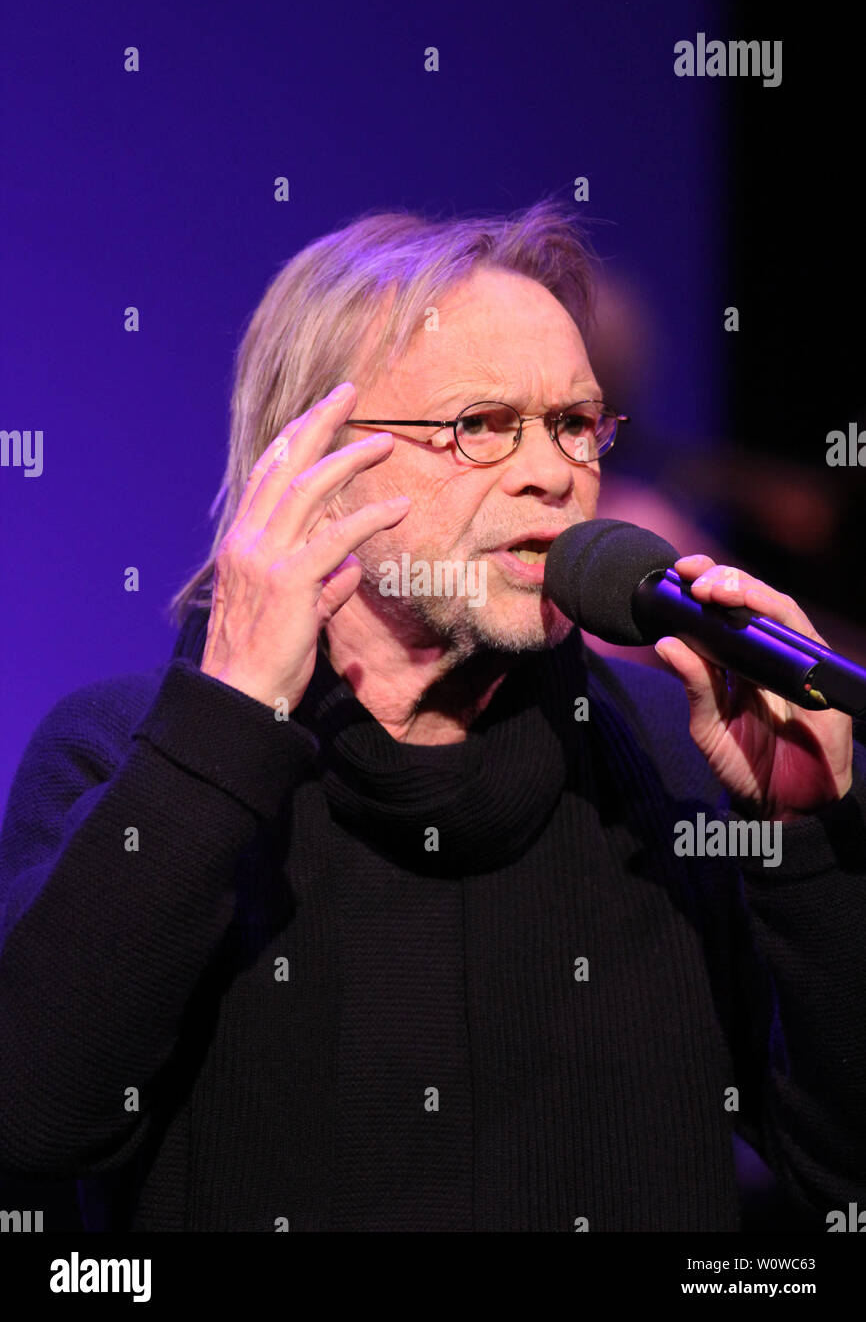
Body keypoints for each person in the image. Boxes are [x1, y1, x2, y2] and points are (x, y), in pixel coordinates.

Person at [0, 201, 864, 1233]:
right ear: (310, 467)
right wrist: (220, 730)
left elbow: (841, 1174)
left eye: (574, 424)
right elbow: (34, 1124)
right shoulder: (131, 754)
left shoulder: (681, 755)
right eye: (480, 425)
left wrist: (804, 850)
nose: (551, 471)